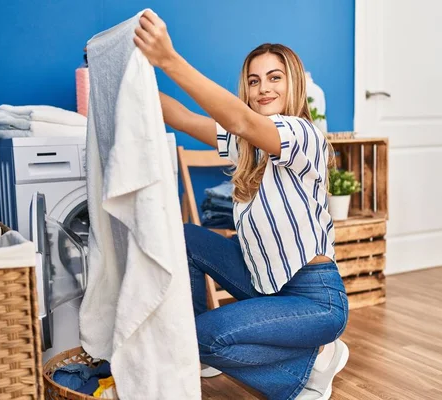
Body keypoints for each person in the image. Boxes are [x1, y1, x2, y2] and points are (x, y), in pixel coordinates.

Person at [134, 10, 349, 400]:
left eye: (274, 77)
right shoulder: (245, 145)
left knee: (191, 339)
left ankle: (305, 370)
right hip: (263, 281)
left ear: (294, 84)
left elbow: (242, 122)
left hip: (314, 297)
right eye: (253, 81)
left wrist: (168, 59)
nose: (263, 88)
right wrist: (127, 75)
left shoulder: (303, 134)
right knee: (182, 237)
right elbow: (181, 117)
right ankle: (211, 347)